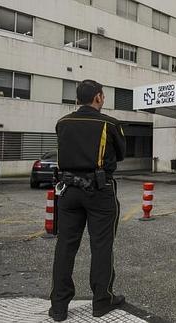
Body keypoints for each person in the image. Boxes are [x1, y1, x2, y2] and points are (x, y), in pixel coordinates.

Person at [49, 80, 126, 321]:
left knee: (65, 246)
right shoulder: (110, 123)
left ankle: (59, 306)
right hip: (99, 190)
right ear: (99, 97)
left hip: (68, 190)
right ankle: (102, 300)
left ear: (77, 99)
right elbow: (121, 155)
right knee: (101, 245)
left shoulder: (62, 123)